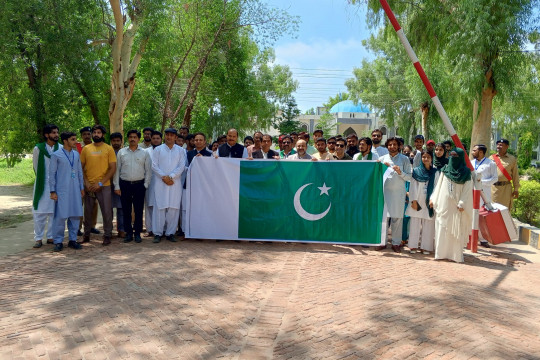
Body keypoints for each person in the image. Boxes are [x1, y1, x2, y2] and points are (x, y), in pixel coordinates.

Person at [431, 148, 473, 263]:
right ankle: (440, 254)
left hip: (457, 207)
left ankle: (455, 256)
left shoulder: (466, 173)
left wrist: (462, 203)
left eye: (456, 156)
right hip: (444, 205)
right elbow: (439, 186)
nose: (453, 158)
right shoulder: (445, 170)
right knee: (442, 227)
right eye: (451, 156)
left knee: (455, 229)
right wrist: (433, 199)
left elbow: (467, 190)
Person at [80, 125, 117, 246]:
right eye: (94, 132)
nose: (96, 134)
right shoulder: (86, 149)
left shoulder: (108, 149)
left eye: (99, 132)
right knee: (87, 212)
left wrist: (101, 183)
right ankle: (86, 235)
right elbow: (81, 168)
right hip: (89, 186)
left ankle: (107, 235)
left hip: (104, 185)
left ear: (103, 135)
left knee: (107, 211)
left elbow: (112, 168)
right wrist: (86, 183)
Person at [113, 130, 152, 243]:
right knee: (126, 210)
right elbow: (117, 170)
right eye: (130, 137)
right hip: (124, 184)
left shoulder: (144, 153)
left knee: (139, 210)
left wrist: (145, 184)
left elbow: (148, 171)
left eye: (135, 137)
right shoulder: (122, 152)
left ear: (138, 139)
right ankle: (128, 233)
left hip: (139, 185)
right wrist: (116, 186)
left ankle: (137, 233)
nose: (132, 139)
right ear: (128, 139)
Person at [49, 132, 84, 252]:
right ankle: (58, 241)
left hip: (75, 190)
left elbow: (79, 172)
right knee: (60, 216)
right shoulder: (56, 155)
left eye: (75, 139)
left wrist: (81, 188)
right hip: (62, 190)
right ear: (65, 141)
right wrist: (52, 191)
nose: (75, 141)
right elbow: (52, 174)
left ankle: (72, 240)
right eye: (73, 139)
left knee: (75, 215)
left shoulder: (76, 154)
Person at [151, 128, 187, 243]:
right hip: (160, 182)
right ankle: (157, 233)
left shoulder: (181, 150)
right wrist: (164, 177)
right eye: (167, 135)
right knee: (159, 207)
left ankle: (170, 233)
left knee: (173, 208)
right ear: (164, 136)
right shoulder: (158, 149)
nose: (169, 137)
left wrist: (171, 176)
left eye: (172, 135)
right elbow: (154, 166)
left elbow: (181, 166)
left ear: (176, 137)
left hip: (175, 183)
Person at [379, 137, 412, 252]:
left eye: (394, 145)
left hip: (398, 194)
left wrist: (400, 172)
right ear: (387, 146)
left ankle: (396, 243)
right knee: (383, 218)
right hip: (384, 193)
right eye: (390, 145)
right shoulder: (382, 159)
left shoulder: (405, 160)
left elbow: (409, 177)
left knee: (397, 218)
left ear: (399, 146)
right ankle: (382, 242)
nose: (392, 147)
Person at [32, 124, 61, 248]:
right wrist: (44, 179)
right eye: (53, 133)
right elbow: (35, 166)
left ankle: (51, 237)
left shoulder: (60, 148)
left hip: (56, 185)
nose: (56, 135)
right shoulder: (38, 149)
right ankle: (38, 238)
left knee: (54, 212)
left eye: (57, 132)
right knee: (40, 213)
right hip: (42, 184)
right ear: (46, 135)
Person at [405, 150, 439, 255]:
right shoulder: (416, 171)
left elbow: (437, 187)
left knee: (428, 223)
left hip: (429, 201)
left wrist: (433, 199)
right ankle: (413, 246)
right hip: (418, 200)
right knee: (415, 223)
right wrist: (413, 200)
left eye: (428, 157)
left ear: (432, 158)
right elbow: (413, 187)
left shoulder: (435, 172)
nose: (426, 159)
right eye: (424, 157)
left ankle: (426, 247)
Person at [490, 138, 520, 210]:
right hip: (494, 189)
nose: (498, 146)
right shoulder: (491, 158)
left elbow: (515, 175)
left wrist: (516, 189)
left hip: (506, 189)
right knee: (493, 210)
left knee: (505, 210)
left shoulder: (512, 159)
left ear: (507, 147)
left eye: (501, 145)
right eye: (498, 145)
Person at [144, 130, 162, 237]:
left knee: (160, 206)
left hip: (162, 181)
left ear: (161, 139)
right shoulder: (146, 151)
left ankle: (161, 229)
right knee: (149, 205)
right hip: (149, 181)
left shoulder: (165, 150)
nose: (155, 140)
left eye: (158, 138)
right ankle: (150, 229)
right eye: (154, 138)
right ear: (150, 139)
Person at [110, 132, 125, 238]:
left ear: (121, 141)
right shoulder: (107, 151)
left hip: (122, 184)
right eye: (114, 141)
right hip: (108, 183)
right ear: (111, 142)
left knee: (121, 208)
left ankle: (122, 230)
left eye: (118, 141)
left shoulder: (125, 152)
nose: (116, 143)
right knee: (108, 209)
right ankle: (108, 230)